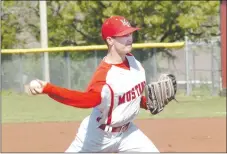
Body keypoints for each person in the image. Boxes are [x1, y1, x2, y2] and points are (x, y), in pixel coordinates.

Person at [27, 15, 160, 153]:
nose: (129, 38)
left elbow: (126, 96)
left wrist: (146, 103)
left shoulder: (134, 63)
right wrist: (49, 89)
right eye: (123, 34)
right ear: (110, 40)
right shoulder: (104, 78)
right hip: (98, 136)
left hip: (127, 133)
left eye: (130, 33)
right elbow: (83, 100)